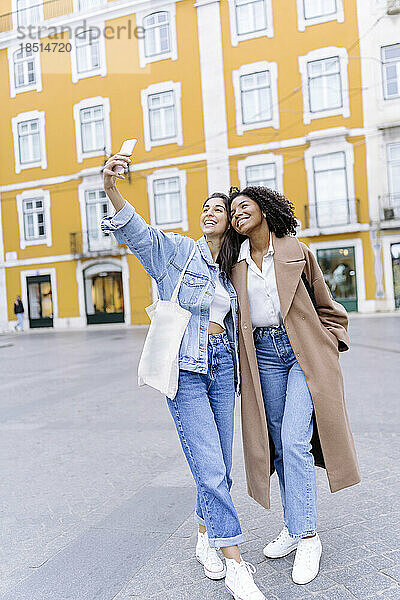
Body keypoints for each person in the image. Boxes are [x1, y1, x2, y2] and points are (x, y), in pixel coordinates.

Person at [101, 154, 266, 600]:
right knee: (211, 467)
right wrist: (111, 187)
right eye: (207, 207)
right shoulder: (176, 252)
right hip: (187, 370)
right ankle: (236, 564)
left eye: (220, 208)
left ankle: (204, 539)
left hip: (222, 368)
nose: (210, 212)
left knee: (218, 469)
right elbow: (138, 233)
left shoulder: (234, 269)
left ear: (232, 224)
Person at [227, 186, 360, 586]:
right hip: (264, 355)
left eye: (243, 207)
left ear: (264, 210)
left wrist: (332, 342)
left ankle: (308, 538)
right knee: (280, 444)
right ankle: (294, 523)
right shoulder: (235, 264)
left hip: (302, 350)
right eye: (232, 212)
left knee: (295, 439)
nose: (237, 215)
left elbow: (326, 304)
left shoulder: (296, 251)